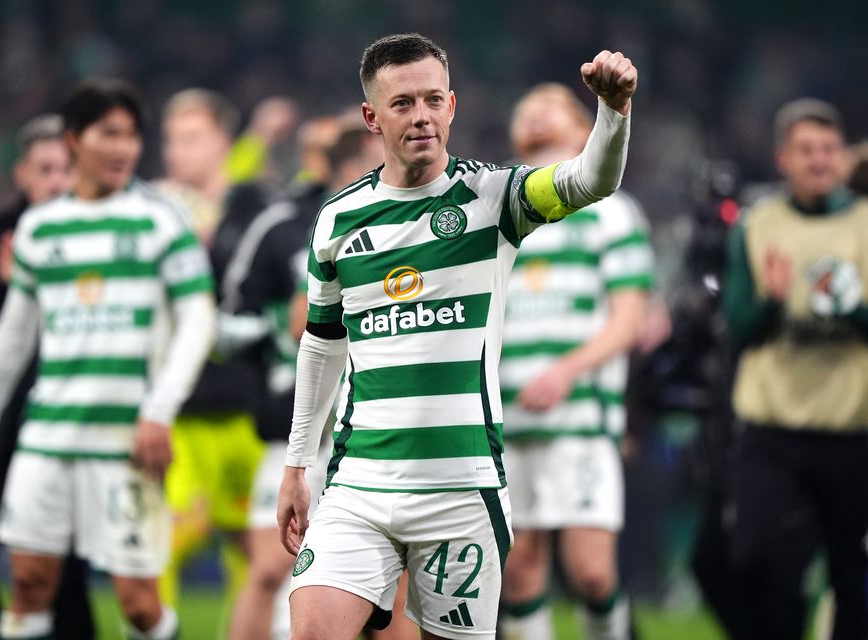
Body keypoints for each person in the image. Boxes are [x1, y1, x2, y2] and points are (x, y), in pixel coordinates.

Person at [277, 33, 636, 640]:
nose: (420, 116)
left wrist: (613, 112)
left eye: (432, 100)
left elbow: (590, 180)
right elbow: (321, 344)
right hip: (358, 483)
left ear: (452, 106)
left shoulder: (495, 199)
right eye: (402, 104)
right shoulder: (337, 220)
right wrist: (295, 463)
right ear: (371, 117)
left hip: (460, 490)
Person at [0, 78, 217, 640]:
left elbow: (199, 318)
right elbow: (13, 337)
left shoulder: (159, 221)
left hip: (125, 442)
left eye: (132, 136)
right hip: (46, 439)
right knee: (27, 588)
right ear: (74, 140)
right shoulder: (40, 229)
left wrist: (158, 410)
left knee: (140, 605)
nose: (123, 148)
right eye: (109, 133)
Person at [498, 84, 654, 640]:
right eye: (526, 109)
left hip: (581, 421)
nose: (536, 115)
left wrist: (565, 370)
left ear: (581, 131)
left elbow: (628, 319)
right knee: (518, 574)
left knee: (590, 572)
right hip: (507, 423)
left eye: (552, 108)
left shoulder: (611, 210)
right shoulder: (498, 210)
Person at [229, 120, 388, 640]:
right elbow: (288, 322)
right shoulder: (296, 227)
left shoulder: (411, 220)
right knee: (272, 568)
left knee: (389, 589)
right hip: (294, 427)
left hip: (375, 429)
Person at [0, 113, 96, 640]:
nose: (56, 181)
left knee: (67, 576)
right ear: (22, 176)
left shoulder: (91, 237)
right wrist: (5, 286)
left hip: (67, 423)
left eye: (65, 169)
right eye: (45, 169)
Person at [724, 98, 868, 640]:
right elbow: (738, 329)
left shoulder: (865, 224)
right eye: (806, 150)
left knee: (852, 575)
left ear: (844, 157)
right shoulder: (758, 225)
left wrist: (854, 310)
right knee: (761, 563)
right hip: (773, 433)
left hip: (850, 431)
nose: (819, 161)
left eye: (829, 150)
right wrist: (773, 303)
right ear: (783, 158)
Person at [155, 88, 277, 614]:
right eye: (171, 140)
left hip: (248, 411)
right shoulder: (156, 213)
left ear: (223, 143)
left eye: (190, 138)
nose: (175, 151)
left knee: (259, 557)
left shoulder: (257, 212)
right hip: (181, 411)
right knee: (163, 543)